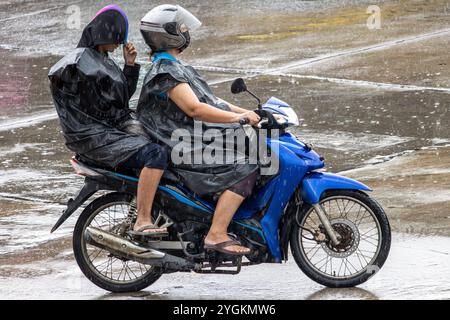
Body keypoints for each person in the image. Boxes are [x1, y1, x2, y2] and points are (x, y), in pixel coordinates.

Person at [137, 5, 261, 255]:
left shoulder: (177, 67)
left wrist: (250, 114)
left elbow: (213, 103)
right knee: (246, 167)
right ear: (169, 34)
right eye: (181, 28)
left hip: (194, 139)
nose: (186, 32)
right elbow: (195, 109)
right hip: (179, 145)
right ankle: (216, 234)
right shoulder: (165, 71)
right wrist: (239, 119)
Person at [48, 5, 168, 237]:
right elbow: (115, 101)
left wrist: (130, 66)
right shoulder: (83, 61)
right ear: (105, 32)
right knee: (156, 154)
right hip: (94, 137)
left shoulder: (97, 58)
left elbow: (117, 100)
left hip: (102, 132)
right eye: (117, 37)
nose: (120, 43)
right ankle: (142, 219)